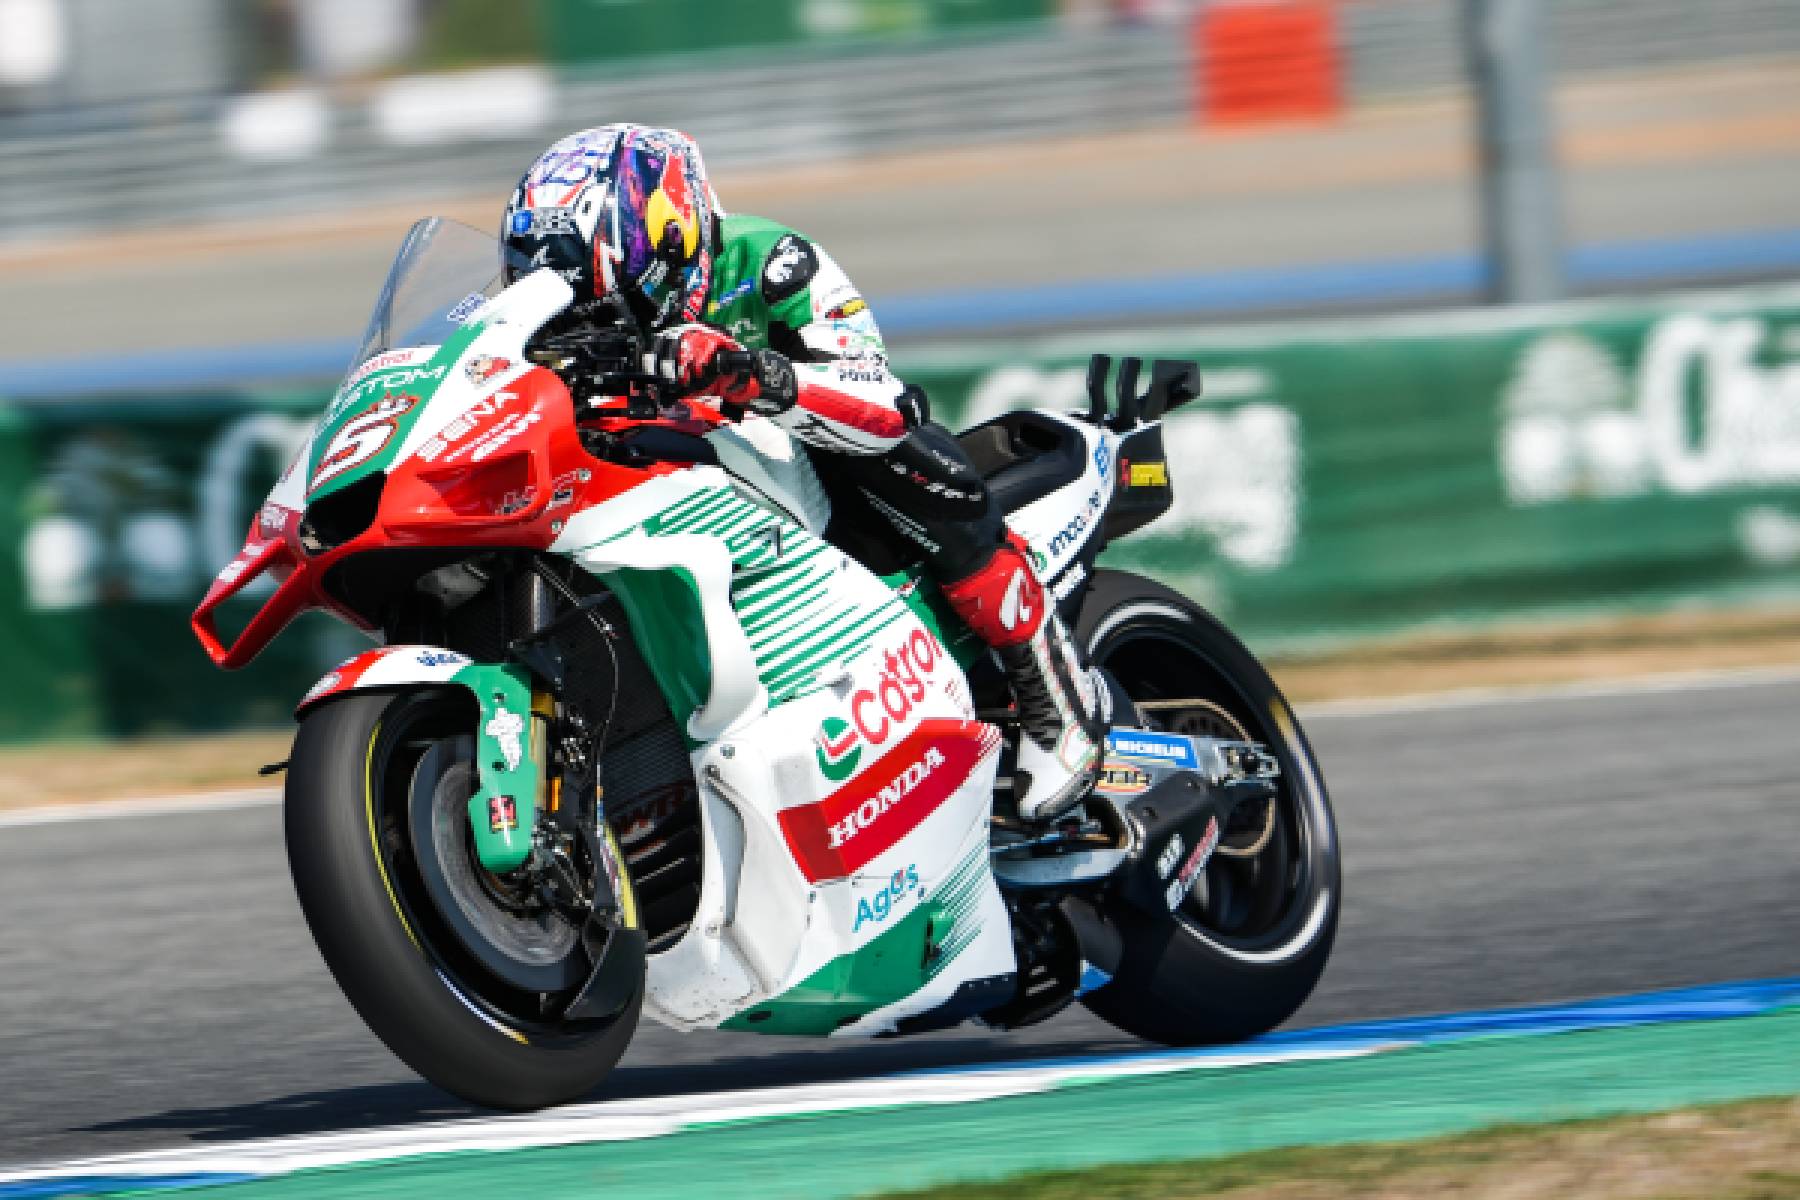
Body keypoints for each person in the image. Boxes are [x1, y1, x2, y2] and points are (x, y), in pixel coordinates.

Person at [502, 123, 1105, 820]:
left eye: (601, 291)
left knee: (899, 448)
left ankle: (1054, 694)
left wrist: (751, 374)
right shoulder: (545, 325)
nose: (587, 312)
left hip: (807, 474)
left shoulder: (772, 262)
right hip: (669, 490)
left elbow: (882, 400)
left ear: (670, 239)